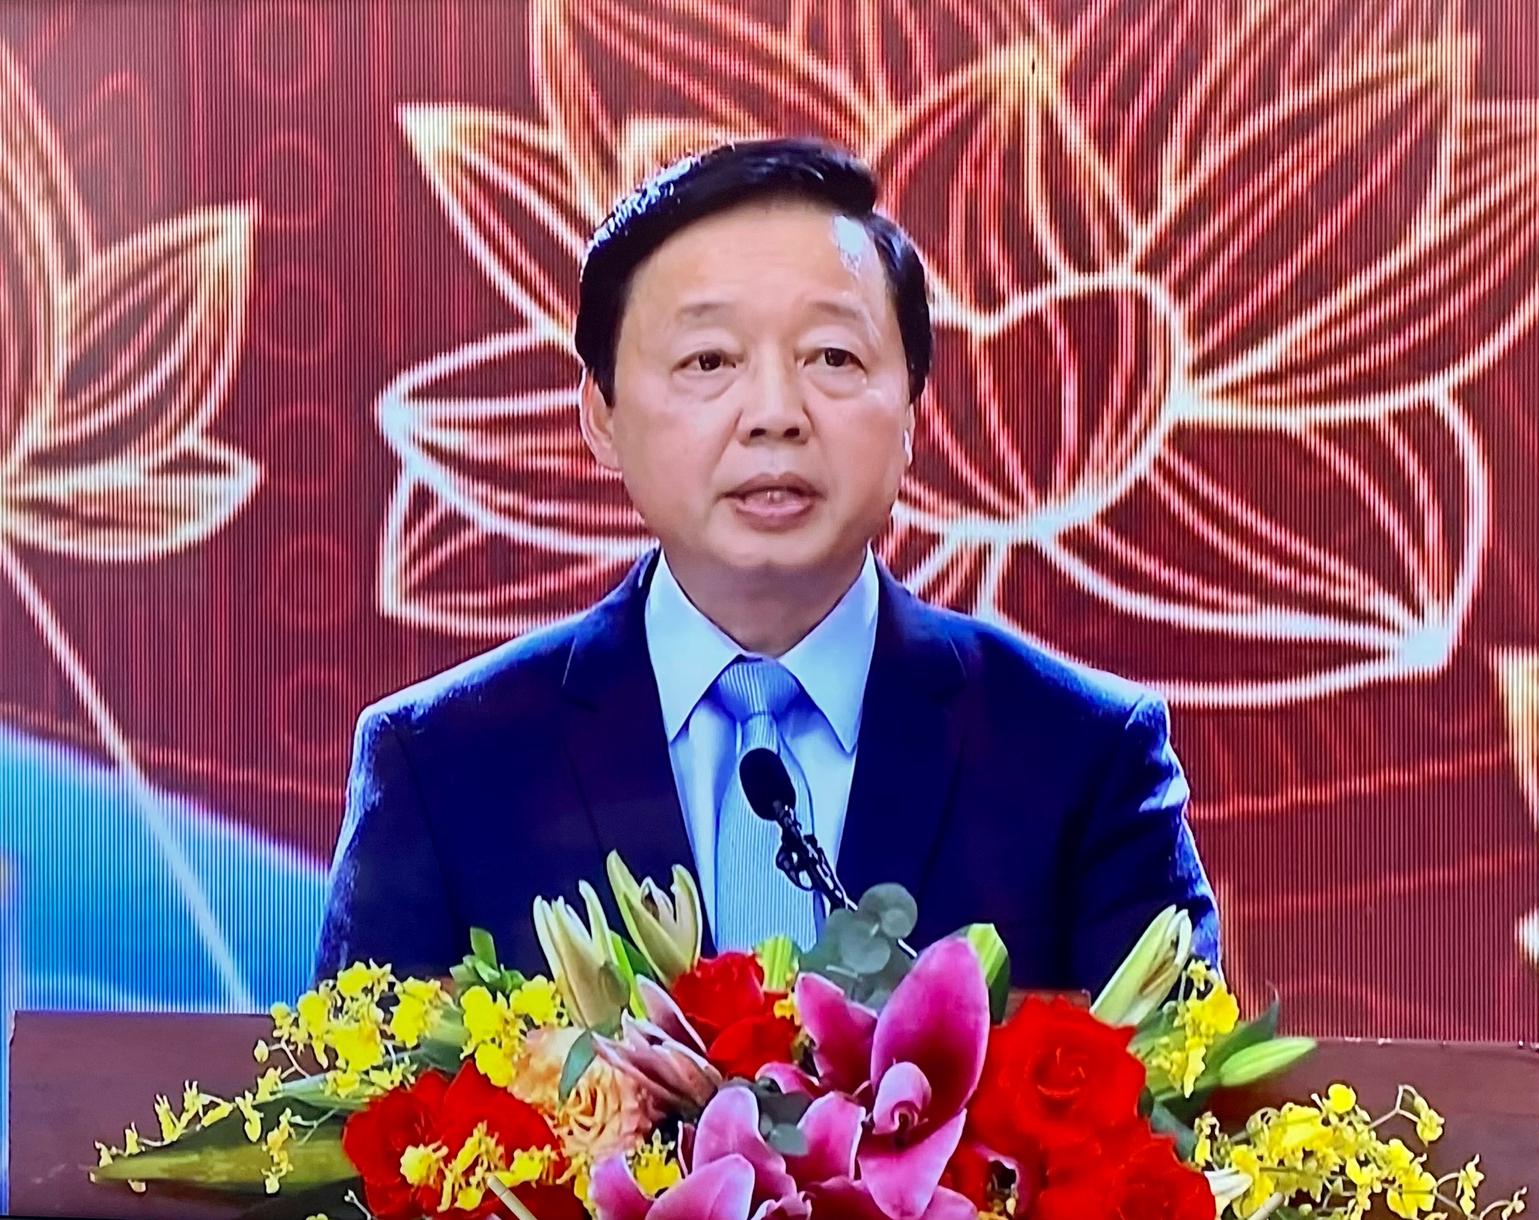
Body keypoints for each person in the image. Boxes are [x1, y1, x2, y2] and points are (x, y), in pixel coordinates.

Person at [315, 138, 1217, 992]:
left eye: (834, 356)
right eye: (709, 360)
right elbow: (354, 1094)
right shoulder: (444, 765)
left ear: (912, 410)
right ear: (602, 416)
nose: (775, 413)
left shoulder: (1083, 757)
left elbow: (1182, 1089)